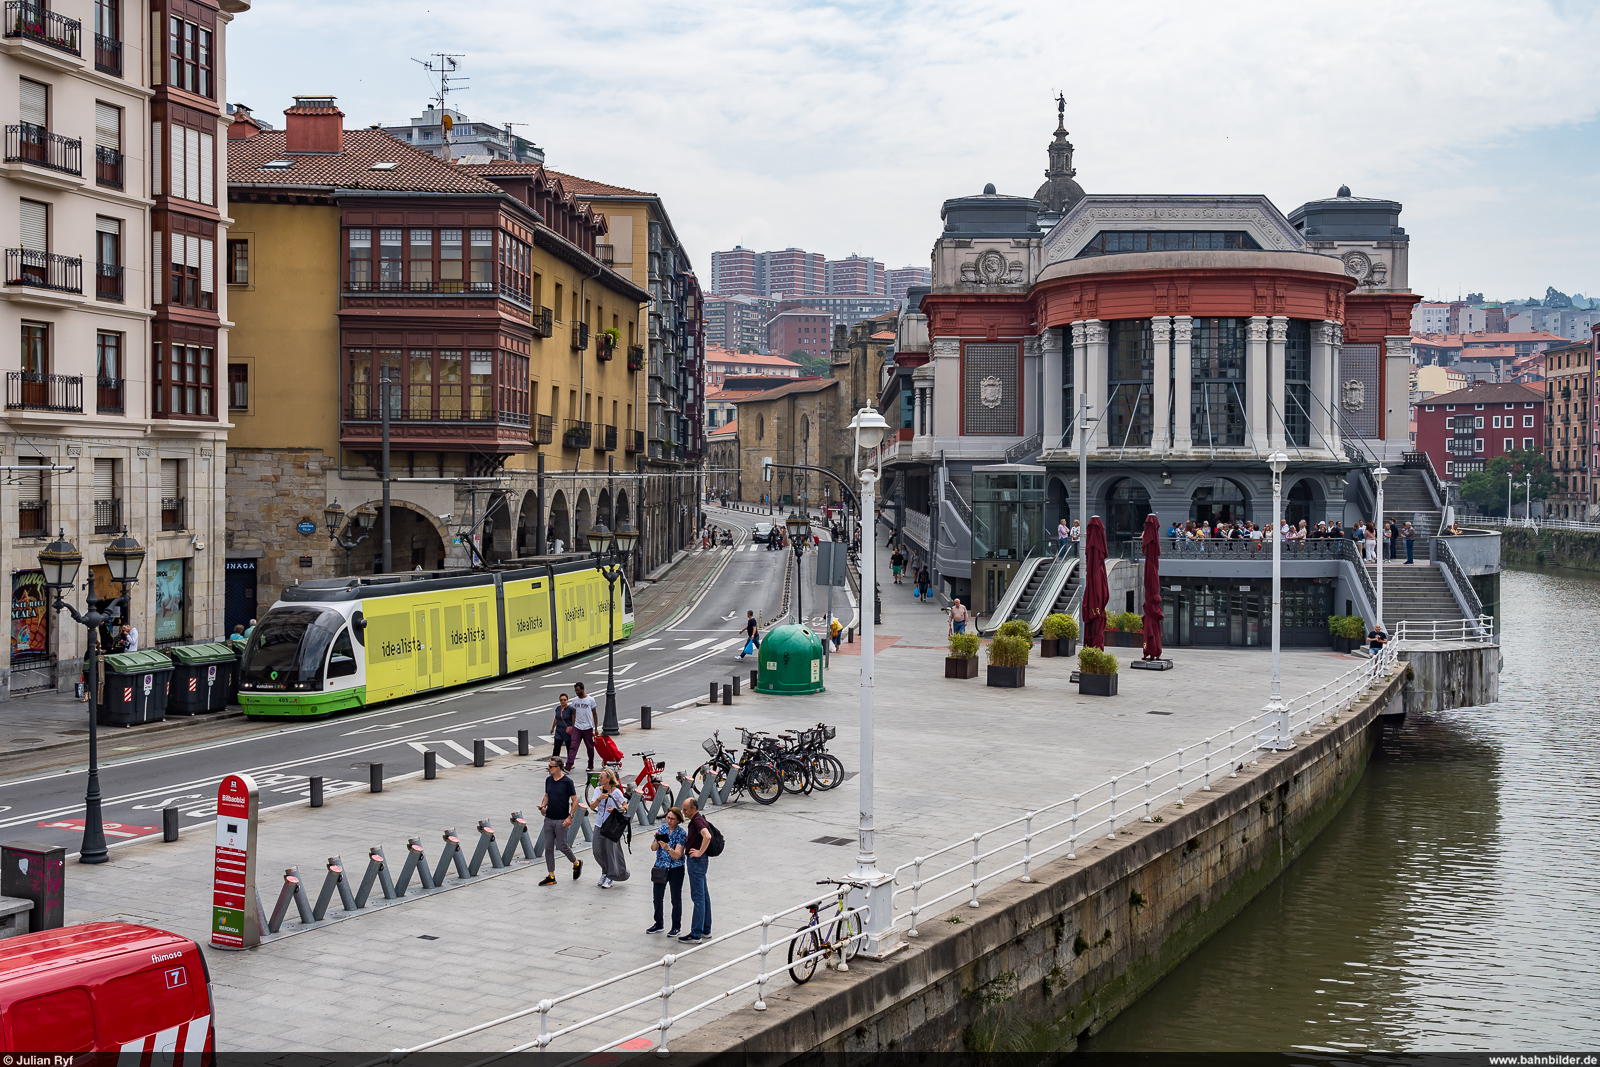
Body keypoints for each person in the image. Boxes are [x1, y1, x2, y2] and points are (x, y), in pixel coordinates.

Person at [537, 758, 582, 886]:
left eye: (550, 766)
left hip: (562, 819)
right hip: (549, 818)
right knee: (548, 847)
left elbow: (574, 800)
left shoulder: (567, 782)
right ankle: (551, 875)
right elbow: (547, 796)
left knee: (562, 846)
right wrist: (543, 806)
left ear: (558, 768)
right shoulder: (549, 780)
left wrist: (570, 816)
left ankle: (576, 862)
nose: (548, 768)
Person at [646, 806, 688, 935]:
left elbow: (678, 855)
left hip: (675, 868)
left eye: (672, 819)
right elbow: (653, 848)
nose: (669, 821)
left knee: (675, 898)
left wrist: (668, 848)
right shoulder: (662, 829)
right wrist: (657, 841)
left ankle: (676, 926)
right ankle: (658, 923)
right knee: (657, 897)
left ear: (678, 820)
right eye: (668, 817)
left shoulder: (681, 833)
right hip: (660, 866)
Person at [680, 797, 713, 943]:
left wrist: (699, 852)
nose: (683, 812)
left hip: (696, 861)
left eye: (686, 809)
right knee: (704, 895)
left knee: (698, 897)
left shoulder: (697, 821)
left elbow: (707, 836)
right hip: (701, 861)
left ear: (694, 809)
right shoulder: (698, 819)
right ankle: (706, 929)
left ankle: (696, 934)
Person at [590, 770, 631, 889]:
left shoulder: (616, 792)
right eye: (599, 777)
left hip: (611, 825)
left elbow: (625, 806)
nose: (599, 779)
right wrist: (599, 799)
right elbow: (592, 806)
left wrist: (615, 810)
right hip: (599, 824)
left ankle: (609, 876)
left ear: (608, 779)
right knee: (596, 851)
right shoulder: (598, 790)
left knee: (610, 852)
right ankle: (605, 871)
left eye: (601, 777)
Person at [565, 681, 597, 771]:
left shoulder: (590, 700)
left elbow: (594, 714)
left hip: (588, 727)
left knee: (589, 747)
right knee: (573, 746)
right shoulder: (575, 700)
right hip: (577, 727)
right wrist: (573, 726)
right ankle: (568, 765)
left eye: (578, 690)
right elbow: (574, 714)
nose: (577, 692)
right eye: (576, 691)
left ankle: (590, 764)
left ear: (583, 689)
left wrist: (596, 728)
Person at [550, 693, 575, 762]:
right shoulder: (558, 708)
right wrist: (552, 728)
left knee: (569, 748)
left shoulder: (570, 709)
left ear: (567, 700)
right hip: (559, 731)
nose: (563, 701)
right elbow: (556, 718)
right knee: (556, 748)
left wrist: (573, 729)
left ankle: (570, 763)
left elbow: (573, 719)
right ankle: (553, 762)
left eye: (564, 700)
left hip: (567, 732)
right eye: (561, 700)